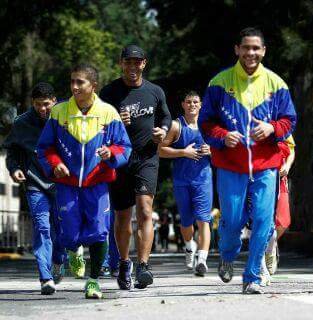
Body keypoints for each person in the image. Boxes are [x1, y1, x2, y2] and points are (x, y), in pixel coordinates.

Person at [199, 27, 297, 294]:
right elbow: (205, 122)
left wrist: (272, 129)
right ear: (237, 50)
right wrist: (222, 135)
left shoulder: (277, 84)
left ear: (263, 51)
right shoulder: (219, 83)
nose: (251, 53)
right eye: (246, 48)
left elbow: (290, 120)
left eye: (256, 48)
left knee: (264, 220)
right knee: (231, 220)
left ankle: (252, 276)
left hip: (266, 165)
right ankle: (228, 255)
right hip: (232, 165)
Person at [37, 64, 132, 299]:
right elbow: (44, 147)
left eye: (80, 82)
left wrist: (111, 153)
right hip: (67, 184)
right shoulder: (59, 112)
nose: (74, 86)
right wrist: (54, 163)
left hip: (97, 184)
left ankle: (94, 281)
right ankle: (74, 250)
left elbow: (124, 146)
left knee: (100, 231)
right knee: (68, 233)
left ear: (93, 86)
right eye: (72, 82)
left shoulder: (109, 113)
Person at [100, 45, 172, 290]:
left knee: (144, 208)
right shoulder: (109, 92)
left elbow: (166, 118)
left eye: (137, 62)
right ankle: (123, 262)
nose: (132, 67)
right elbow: (97, 126)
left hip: (146, 157)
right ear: (121, 63)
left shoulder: (155, 91)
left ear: (144, 64)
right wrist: (115, 122)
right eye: (128, 62)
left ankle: (143, 266)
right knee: (122, 215)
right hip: (120, 158)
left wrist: (162, 131)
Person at [3, 82, 66, 295]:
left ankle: (58, 259)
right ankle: (45, 276)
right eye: (38, 104)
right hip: (35, 183)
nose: (42, 109)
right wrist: (14, 169)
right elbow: (11, 151)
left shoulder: (64, 119)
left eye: (46, 104)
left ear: (54, 101)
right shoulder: (22, 123)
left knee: (62, 229)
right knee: (42, 228)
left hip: (62, 183)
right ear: (32, 103)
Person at [159, 91, 213, 276]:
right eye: (188, 102)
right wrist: (183, 152)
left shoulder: (208, 126)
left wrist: (211, 149)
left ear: (201, 105)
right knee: (186, 221)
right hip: (182, 180)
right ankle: (190, 247)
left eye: (195, 102)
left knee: (204, 219)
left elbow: (223, 148)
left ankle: (202, 260)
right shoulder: (176, 125)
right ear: (183, 104)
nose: (192, 105)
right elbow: (161, 150)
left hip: (203, 179)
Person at [264, 135, 295, 278]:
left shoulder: (284, 127)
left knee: (283, 221)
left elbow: (291, 150)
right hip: (262, 176)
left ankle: (272, 243)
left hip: (280, 179)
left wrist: (287, 166)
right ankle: (265, 251)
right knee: (265, 218)